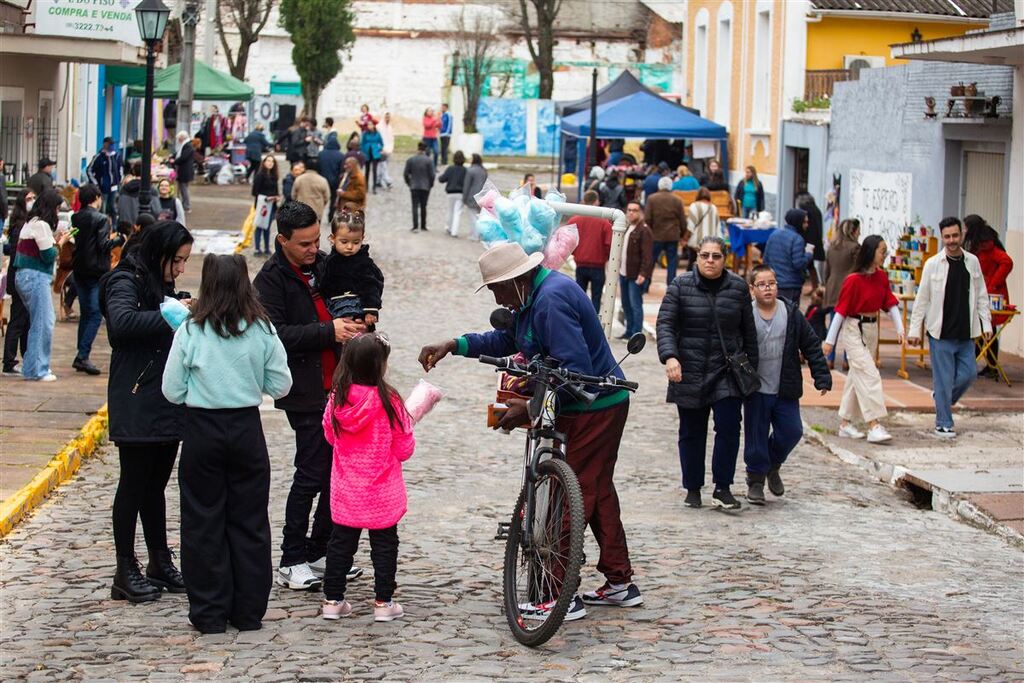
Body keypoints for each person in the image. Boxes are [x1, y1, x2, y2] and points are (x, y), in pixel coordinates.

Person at [418, 242, 644, 620]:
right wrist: (455, 345)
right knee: (597, 488)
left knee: (570, 496)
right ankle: (619, 581)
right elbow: (509, 341)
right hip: (591, 405)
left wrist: (532, 407)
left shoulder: (551, 301)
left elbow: (576, 371)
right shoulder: (529, 299)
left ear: (515, 280)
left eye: (495, 288)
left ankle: (558, 596)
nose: (495, 296)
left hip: (595, 408)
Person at [162, 254, 291, 634]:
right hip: (246, 429)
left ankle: (209, 611)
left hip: (202, 428)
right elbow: (281, 385)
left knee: (202, 520)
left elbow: (172, 389)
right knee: (249, 520)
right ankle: (248, 610)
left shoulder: (191, 330)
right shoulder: (262, 329)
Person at [253, 201, 367, 592]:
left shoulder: (322, 264)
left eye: (317, 240)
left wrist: (362, 316)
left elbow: (356, 285)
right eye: (304, 243)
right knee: (311, 473)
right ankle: (291, 557)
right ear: (282, 240)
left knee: (337, 472)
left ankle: (320, 550)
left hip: (340, 384)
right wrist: (328, 331)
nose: (312, 249)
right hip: (304, 390)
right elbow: (273, 336)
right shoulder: (270, 280)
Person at [100, 220, 193, 602]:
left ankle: (159, 560)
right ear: (160, 255)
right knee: (133, 485)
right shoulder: (126, 279)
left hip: (164, 395)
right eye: (178, 260)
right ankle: (125, 568)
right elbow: (121, 325)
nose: (182, 268)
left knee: (155, 485)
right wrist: (172, 315)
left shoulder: (158, 281)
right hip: (137, 394)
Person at [656, 235, 757, 510]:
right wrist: (670, 356)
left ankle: (723, 487)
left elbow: (748, 332)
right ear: (696, 257)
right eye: (705, 255)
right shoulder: (680, 286)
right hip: (689, 369)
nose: (710, 261)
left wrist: (751, 374)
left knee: (728, 428)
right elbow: (665, 324)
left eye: (716, 256)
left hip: (726, 371)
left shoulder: (737, 288)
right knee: (691, 431)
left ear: (725, 259)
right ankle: (693, 486)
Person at [321, 333, 414, 623]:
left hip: (347, 488)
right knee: (385, 546)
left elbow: (329, 434)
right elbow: (404, 447)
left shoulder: (338, 398)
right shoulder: (390, 400)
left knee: (340, 544)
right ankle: (383, 602)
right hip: (381, 491)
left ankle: (333, 600)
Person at [743, 264, 831, 504]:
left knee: (792, 431)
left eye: (771, 283)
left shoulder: (791, 313)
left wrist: (821, 375)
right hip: (756, 388)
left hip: (785, 386)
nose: (767, 288)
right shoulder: (745, 315)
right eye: (761, 284)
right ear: (752, 289)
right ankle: (756, 480)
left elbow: (811, 344)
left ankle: (773, 464)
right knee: (756, 437)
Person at [907, 218, 992, 439]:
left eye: (955, 236)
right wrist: (914, 330)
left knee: (969, 375)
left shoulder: (972, 262)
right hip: (940, 333)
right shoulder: (933, 264)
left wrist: (987, 323)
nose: (951, 241)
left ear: (961, 235)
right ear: (942, 237)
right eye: (947, 237)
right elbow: (922, 300)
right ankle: (943, 422)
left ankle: (942, 399)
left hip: (966, 333)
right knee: (943, 379)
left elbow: (982, 295)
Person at [821, 235, 905, 444]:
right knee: (870, 374)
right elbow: (840, 312)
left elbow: (890, 303)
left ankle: (845, 424)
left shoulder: (882, 277)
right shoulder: (853, 280)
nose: (885, 254)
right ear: (871, 252)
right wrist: (829, 341)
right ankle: (874, 424)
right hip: (853, 329)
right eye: (882, 250)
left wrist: (901, 329)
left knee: (856, 376)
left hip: (872, 328)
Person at [13, 189, 69, 381]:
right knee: (44, 322)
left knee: (39, 322)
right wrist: (61, 242)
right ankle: (38, 369)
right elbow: (48, 255)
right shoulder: (42, 224)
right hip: (35, 276)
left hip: (26, 276)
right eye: (56, 208)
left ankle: (32, 368)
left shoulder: (32, 222)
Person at [70, 183, 124, 375]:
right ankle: (82, 356)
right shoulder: (101, 219)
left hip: (79, 269)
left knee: (86, 312)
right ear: (96, 198)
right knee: (94, 314)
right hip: (95, 270)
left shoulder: (76, 217)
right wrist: (119, 240)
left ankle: (81, 353)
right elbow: (103, 244)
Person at [963, 214, 1013, 376]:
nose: (964, 230)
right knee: (984, 329)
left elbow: (1007, 262)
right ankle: (988, 366)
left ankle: (978, 365)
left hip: (992, 295)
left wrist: (992, 283)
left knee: (985, 329)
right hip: (981, 293)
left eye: (966, 227)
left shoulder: (989, 246)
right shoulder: (979, 244)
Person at [321, 209, 384, 328]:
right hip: (334, 307)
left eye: (356, 242)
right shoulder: (330, 260)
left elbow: (371, 285)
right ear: (332, 239)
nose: (350, 247)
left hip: (357, 308)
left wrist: (370, 309)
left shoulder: (363, 262)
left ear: (362, 239)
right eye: (344, 242)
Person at [2, 189, 35, 376]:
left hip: (22, 279)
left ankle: (23, 358)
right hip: (19, 280)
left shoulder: (25, 224)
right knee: (18, 321)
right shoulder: (20, 226)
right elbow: (17, 255)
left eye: (33, 198)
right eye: (28, 198)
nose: (31, 201)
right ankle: (9, 361)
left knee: (25, 322)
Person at [823, 218, 861, 368]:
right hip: (849, 288)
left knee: (834, 323)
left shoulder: (832, 247)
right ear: (853, 231)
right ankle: (847, 359)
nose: (860, 232)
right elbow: (860, 269)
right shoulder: (855, 247)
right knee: (850, 326)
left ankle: (829, 358)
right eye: (858, 230)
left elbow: (827, 270)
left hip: (833, 287)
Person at [569, 189, 612, 312]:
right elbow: (609, 244)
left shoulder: (574, 220)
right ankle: (594, 323)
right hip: (598, 266)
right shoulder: (604, 222)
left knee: (579, 296)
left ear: (584, 200)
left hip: (580, 264)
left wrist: (576, 253)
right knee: (596, 298)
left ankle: (579, 319)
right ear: (596, 201)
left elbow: (568, 242)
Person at [762, 208, 814, 304]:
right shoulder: (797, 239)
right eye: (805, 222)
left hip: (774, 283)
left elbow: (765, 260)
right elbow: (799, 264)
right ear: (798, 222)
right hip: (791, 285)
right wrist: (809, 254)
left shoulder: (774, 234)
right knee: (789, 315)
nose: (807, 225)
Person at [619, 201, 654, 338]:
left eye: (634, 210)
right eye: (629, 210)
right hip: (624, 272)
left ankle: (636, 334)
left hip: (635, 274)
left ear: (641, 213)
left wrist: (643, 273)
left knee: (635, 305)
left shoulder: (644, 230)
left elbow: (647, 255)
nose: (631, 213)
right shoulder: (628, 227)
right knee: (626, 304)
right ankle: (628, 331)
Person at [645, 176, 686, 287]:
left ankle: (645, 285)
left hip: (656, 235)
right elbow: (682, 220)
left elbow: (647, 218)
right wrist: (682, 234)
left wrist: (649, 233)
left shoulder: (652, 199)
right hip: (672, 235)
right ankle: (671, 287)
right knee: (672, 262)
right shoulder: (677, 200)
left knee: (651, 261)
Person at [251, 153, 280, 256]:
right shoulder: (259, 175)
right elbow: (254, 192)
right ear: (264, 162)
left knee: (267, 227)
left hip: (271, 205)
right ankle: (257, 248)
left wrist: (276, 197)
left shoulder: (274, 176)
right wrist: (266, 197)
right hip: (262, 205)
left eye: (272, 161)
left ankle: (267, 248)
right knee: (259, 226)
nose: (270, 163)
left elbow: (276, 191)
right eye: (268, 161)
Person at [87, 137, 122, 220]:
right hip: (102, 188)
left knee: (113, 207)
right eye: (109, 144)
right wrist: (96, 183)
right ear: (104, 145)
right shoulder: (99, 157)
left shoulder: (116, 156)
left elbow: (120, 170)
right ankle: (103, 226)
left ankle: (114, 227)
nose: (111, 147)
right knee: (103, 208)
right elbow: (89, 170)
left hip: (114, 186)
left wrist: (118, 181)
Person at [404, 142, 435, 233]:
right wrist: (430, 184)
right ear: (425, 150)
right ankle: (423, 225)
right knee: (423, 206)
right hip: (425, 187)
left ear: (418, 148)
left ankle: (415, 226)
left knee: (414, 206)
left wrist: (409, 183)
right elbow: (432, 175)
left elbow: (406, 174)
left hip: (414, 186)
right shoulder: (429, 161)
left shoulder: (411, 160)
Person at [796, 193, 825, 284]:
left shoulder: (805, 211)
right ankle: (815, 286)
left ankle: (813, 286)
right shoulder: (816, 210)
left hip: (808, 239)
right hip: (816, 239)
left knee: (807, 264)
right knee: (811, 265)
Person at [438, 150, 467, 237]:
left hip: (450, 193)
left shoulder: (450, 168)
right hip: (461, 193)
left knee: (450, 211)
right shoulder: (465, 170)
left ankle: (449, 228)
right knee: (457, 212)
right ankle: (455, 232)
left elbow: (442, 179)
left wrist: (440, 176)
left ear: (454, 159)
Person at [686, 187, 721, 256]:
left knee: (693, 262)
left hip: (697, 243)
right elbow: (718, 227)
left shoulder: (694, 206)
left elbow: (690, 226)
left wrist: (685, 238)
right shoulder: (714, 207)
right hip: (711, 243)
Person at [462, 153, 488, 236]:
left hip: (472, 196)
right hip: (482, 196)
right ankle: (479, 233)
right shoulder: (484, 171)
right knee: (479, 216)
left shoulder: (470, 170)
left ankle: (475, 234)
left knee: (473, 216)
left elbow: (466, 186)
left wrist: (464, 198)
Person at [360, 121, 384, 194]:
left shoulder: (377, 134)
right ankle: (366, 187)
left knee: (374, 170)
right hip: (367, 153)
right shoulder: (365, 134)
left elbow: (381, 143)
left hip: (375, 153)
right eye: (368, 124)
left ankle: (374, 187)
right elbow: (362, 143)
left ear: (374, 125)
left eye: (370, 124)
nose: (369, 126)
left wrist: (379, 148)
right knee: (367, 171)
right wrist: (363, 151)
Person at [174, 132, 194, 213]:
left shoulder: (187, 146)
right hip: (185, 170)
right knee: (183, 188)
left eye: (179, 138)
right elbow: (179, 154)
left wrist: (175, 161)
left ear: (182, 138)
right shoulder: (185, 145)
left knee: (184, 188)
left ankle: (186, 206)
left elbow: (183, 157)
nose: (178, 140)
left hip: (185, 170)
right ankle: (184, 204)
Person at [377, 111, 395, 191]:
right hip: (381, 150)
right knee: (383, 166)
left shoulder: (390, 128)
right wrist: (380, 149)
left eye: (389, 117)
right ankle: (388, 181)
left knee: (383, 166)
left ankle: (378, 181)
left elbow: (391, 139)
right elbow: (377, 140)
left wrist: (390, 149)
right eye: (386, 117)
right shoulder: (379, 127)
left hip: (388, 150)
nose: (388, 119)